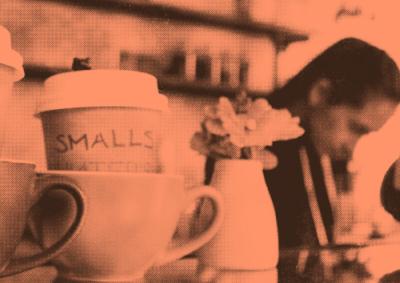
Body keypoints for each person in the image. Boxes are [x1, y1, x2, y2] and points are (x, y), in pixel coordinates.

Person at [205, 37, 400, 249]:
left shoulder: (313, 146)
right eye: (355, 128)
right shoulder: (245, 147)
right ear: (321, 93)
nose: (351, 150)